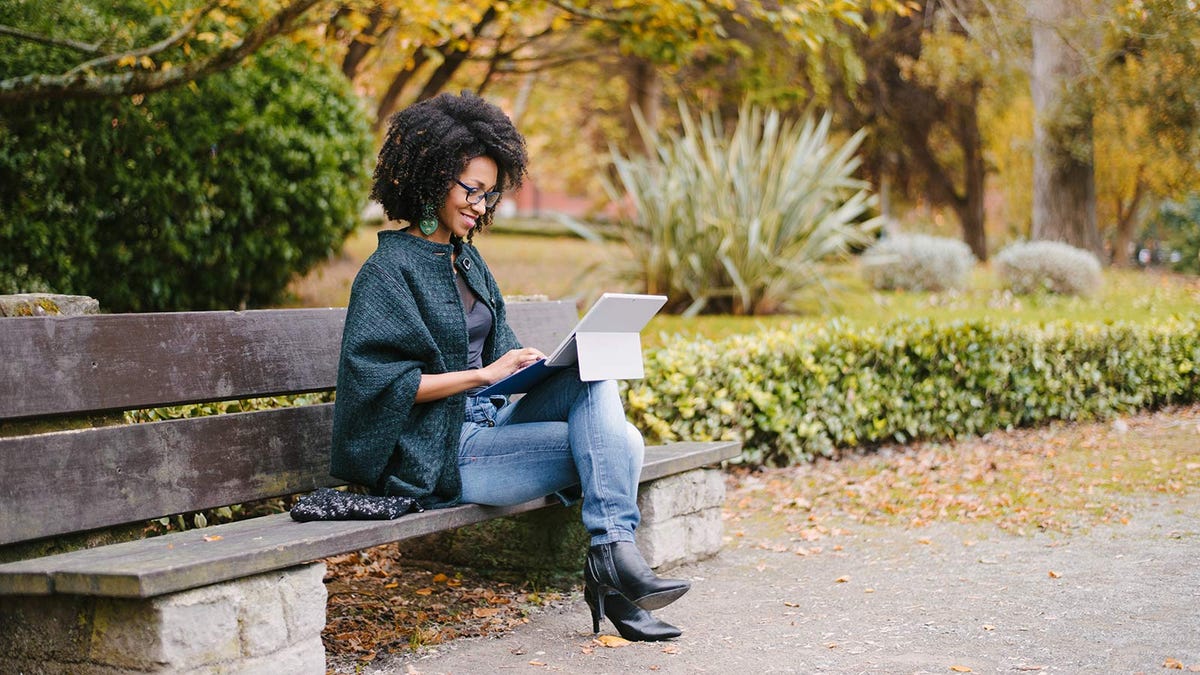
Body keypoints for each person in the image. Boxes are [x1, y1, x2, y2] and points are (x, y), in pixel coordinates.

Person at [330, 91, 688, 642]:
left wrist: (532, 365)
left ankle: (610, 559)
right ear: (429, 178)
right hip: (441, 453)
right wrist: (482, 376)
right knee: (627, 446)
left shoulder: (466, 257)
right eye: (470, 189)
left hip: (490, 424)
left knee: (591, 375)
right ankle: (612, 576)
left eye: (488, 192)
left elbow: (498, 350)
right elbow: (377, 386)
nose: (479, 203)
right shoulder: (387, 272)